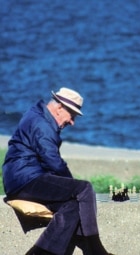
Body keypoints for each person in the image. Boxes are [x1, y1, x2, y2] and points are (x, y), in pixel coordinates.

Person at [2, 87, 115, 255]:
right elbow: (53, 162)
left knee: (72, 206)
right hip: (25, 179)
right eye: (72, 115)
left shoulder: (38, 116)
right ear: (60, 107)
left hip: (20, 179)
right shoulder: (42, 124)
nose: (72, 122)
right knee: (83, 189)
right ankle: (95, 249)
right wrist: (73, 185)